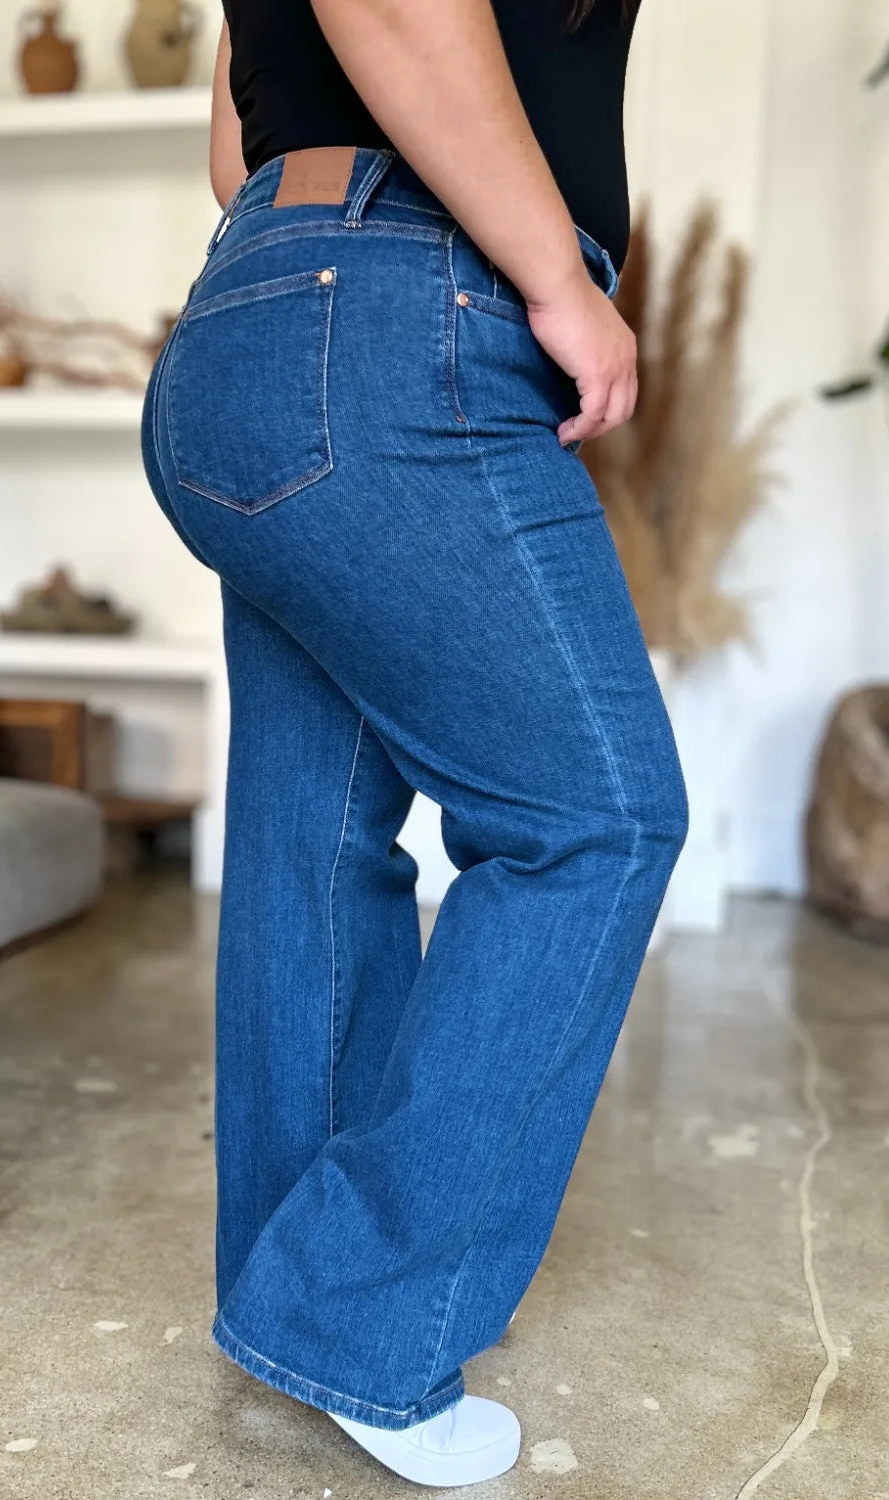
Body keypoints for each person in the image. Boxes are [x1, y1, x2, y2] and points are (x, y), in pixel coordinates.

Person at [142, 0, 687, 1486]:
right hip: (404, 321)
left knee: (314, 835)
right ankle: (360, 1320)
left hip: (260, 316)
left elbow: (237, 140)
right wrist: (556, 282)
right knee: (600, 819)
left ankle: (294, 1296)